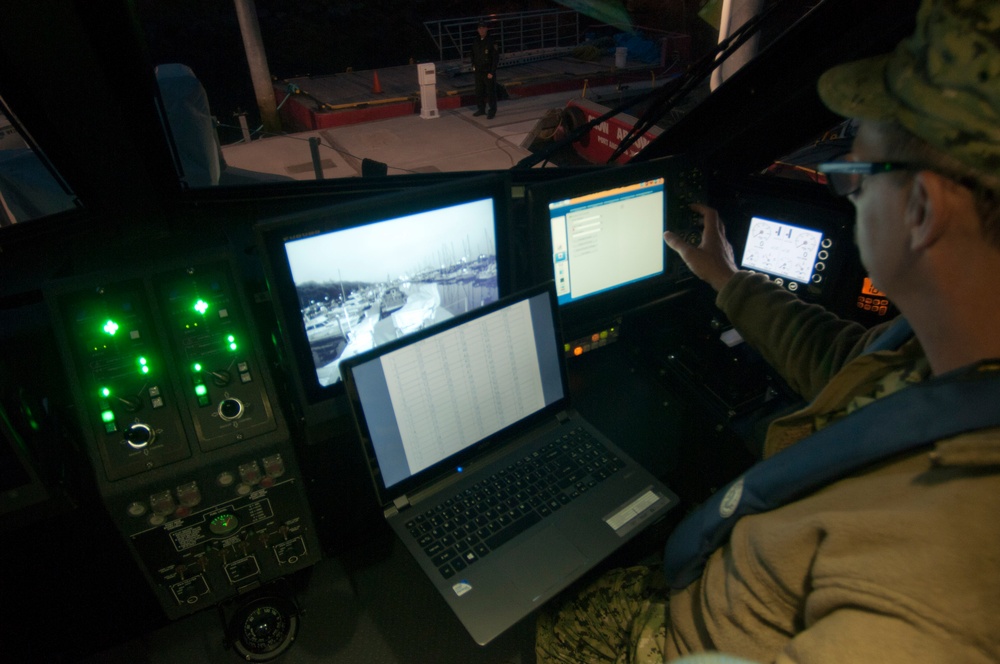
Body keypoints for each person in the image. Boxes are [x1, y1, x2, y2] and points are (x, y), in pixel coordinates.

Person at [535, 0, 1000, 662]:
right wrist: (727, 279)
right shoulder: (945, 351)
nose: (844, 193)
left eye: (855, 175)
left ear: (923, 209)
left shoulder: (932, 599)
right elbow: (852, 363)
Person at [471, 20, 499, 119]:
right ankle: (481, 109)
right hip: (478, 70)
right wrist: (473, 65)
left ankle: (492, 110)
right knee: (479, 91)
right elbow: (473, 54)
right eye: (480, 28)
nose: (481, 30)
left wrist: (492, 71)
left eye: (483, 28)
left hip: (488, 71)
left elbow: (495, 58)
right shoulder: (476, 40)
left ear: (487, 29)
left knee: (490, 92)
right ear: (477, 30)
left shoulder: (491, 41)